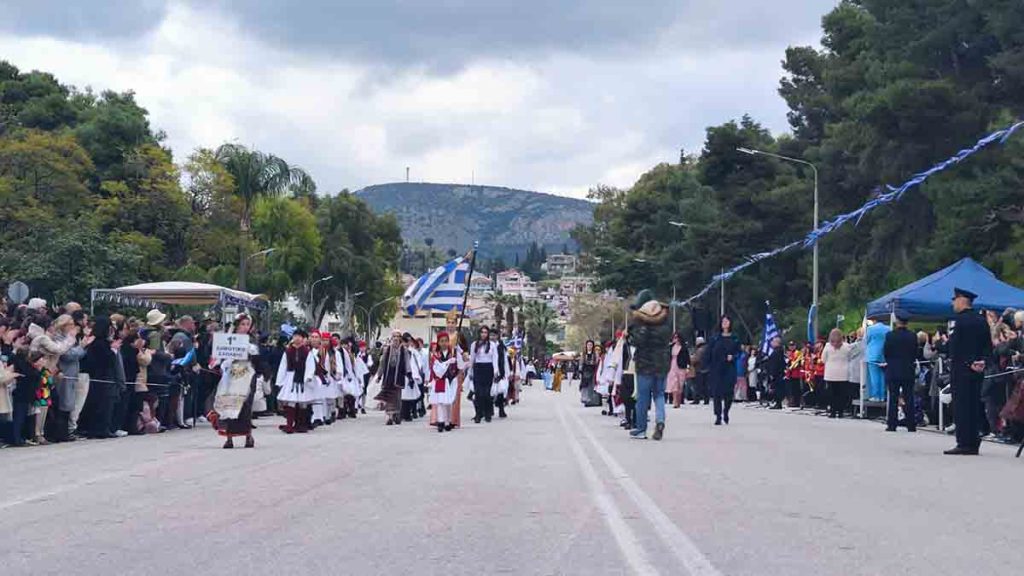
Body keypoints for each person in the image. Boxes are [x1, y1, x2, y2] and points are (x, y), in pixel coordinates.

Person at [946, 288, 991, 455]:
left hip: (961, 369)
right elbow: (988, 345)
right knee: (974, 405)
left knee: (962, 407)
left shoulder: (959, 321)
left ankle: (964, 442)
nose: (953, 303)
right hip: (977, 369)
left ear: (961, 300)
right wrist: (982, 361)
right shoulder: (981, 320)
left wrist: (967, 362)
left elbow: (955, 346)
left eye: (954, 300)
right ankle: (974, 441)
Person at [209, 313, 259, 448]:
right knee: (230, 404)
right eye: (243, 324)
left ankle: (248, 435)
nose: (245, 327)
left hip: (246, 375)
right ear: (237, 325)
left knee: (245, 405)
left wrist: (250, 350)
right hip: (230, 375)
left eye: (248, 324)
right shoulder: (227, 339)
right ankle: (229, 437)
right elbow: (218, 356)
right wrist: (220, 363)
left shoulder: (252, 340)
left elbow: (257, 357)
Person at [629, 289, 672, 441]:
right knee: (659, 394)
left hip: (645, 363)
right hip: (662, 362)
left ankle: (641, 429)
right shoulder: (665, 317)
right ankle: (660, 421)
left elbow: (636, 341)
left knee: (643, 397)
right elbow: (668, 337)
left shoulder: (640, 320)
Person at [882, 313, 918, 432]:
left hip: (893, 369)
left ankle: (892, 424)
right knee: (909, 397)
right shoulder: (912, 336)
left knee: (893, 397)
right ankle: (911, 424)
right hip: (908, 369)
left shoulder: (890, 335)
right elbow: (915, 352)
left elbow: (886, 351)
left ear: (897, 321)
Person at [275, 330, 315, 434]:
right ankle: (289, 424)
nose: (297, 338)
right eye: (295, 336)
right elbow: (283, 366)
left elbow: (310, 365)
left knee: (302, 402)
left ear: (303, 338)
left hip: (302, 378)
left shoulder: (307, 351)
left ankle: (301, 425)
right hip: (290, 377)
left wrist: (309, 376)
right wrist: (280, 381)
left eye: (299, 336)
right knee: (291, 401)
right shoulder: (288, 351)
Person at [708, 315, 741, 426]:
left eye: (727, 321)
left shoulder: (735, 337)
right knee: (717, 393)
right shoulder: (715, 338)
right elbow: (709, 352)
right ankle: (718, 415)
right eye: (723, 321)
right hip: (717, 368)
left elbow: (739, 352)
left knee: (728, 393)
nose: (725, 323)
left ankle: (726, 411)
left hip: (729, 368)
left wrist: (734, 357)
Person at [375, 330, 409, 426]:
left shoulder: (404, 350)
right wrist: (379, 375)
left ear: (400, 338)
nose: (396, 338)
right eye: (394, 336)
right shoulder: (387, 349)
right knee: (389, 396)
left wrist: (409, 374)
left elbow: (407, 362)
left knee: (397, 396)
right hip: (388, 376)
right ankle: (389, 416)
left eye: (398, 336)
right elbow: (382, 363)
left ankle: (396, 414)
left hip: (398, 376)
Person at [430, 332, 463, 432]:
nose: (444, 343)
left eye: (446, 341)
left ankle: (448, 421)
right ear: (438, 342)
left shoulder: (453, 352)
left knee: (448, 402)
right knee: (440, 401)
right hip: (440, 381)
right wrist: (448, 362)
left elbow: (461, 366)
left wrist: (459, 354)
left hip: (451, 381)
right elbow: (438, 371)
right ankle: (440, 422)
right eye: (442, 341)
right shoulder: (436, 355)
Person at [467, 325, 499, 423]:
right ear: (479, 333)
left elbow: (494, 358)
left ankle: (488, 414)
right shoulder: (474, 344)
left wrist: (495, 371)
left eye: (485, 332)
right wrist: (470, 371)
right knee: (478, 393)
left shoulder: (492, 345)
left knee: (487, 393)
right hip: (478, 369)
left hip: (488, 369)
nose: (484, 334)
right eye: (482, 332)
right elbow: (472, 358)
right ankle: (478, 414)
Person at [822, 328, 852, 419]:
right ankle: (840, 412)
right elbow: (850, 357)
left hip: (831, 373)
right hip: (843, 373)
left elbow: (823, 359)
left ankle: (832, 411)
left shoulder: (827, 346)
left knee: (832, 393)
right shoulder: (847, 346)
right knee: (842, 394)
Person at [667, 333, 689, 409]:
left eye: (676, 337)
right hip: (672, 366)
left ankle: (679, 401)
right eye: (674, 337)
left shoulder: (684, 348)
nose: (675, 339)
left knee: (680, 385)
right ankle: (675, 402)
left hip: (681, 367)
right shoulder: (671, 347)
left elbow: (687, 358)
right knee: (674, 384)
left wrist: (687, 367)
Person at [766, 336, 786, 409]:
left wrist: (772, 374)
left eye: (773, 341)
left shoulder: (776, 352)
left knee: (777, 388)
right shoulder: (779, 351)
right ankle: (777, 402)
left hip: (777, 374)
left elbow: (774, 364)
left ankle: (778, 403)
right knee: (776, 388)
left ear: (777, 343)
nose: (771, 343)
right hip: (779, 373)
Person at [691, 337, 709, 405]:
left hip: (699, 369)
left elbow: (696, 359)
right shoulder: (707, 349)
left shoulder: (699, 350)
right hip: (706, 369)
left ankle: (696, 399)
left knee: (698, 386)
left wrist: (691, 360)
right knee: (705, 386)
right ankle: (706, 399)